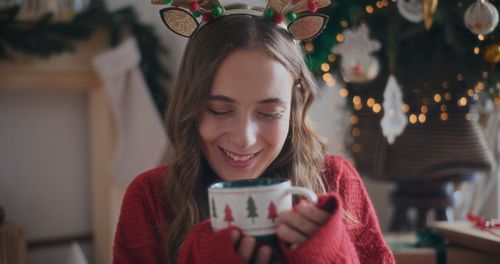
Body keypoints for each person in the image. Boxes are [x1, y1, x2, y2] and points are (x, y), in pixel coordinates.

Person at [113, 2, 395, 263]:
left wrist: (332, 254)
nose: (245, 138)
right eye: (220, 110)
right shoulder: (150, 199)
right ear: (191, 106)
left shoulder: (336, 183)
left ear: (293, 109)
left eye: (269, 113)